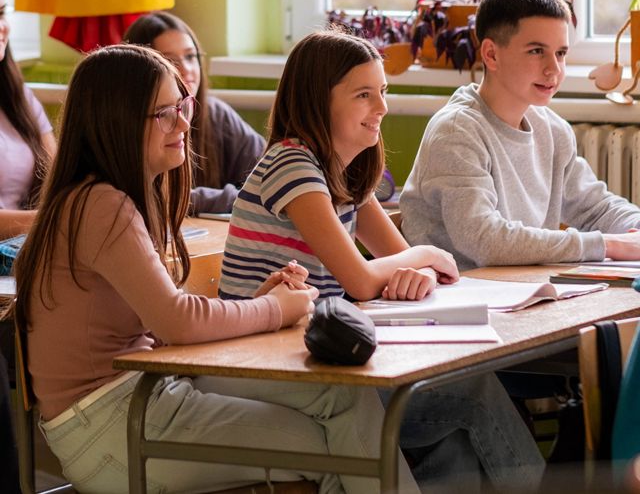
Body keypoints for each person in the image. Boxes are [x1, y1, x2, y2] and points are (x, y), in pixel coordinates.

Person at [12, 44, 414, 494]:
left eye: (182, 106)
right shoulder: (100, 204)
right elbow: (175, 319)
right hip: (109, 426)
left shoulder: (122, 197)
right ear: (116, 120)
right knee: (328, 439)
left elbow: (163, 323)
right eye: (164, 113)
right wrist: (274, 310)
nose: (185, 123)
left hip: (145, 397)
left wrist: (265, 301)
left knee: (344, 401)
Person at [220, 30, 545, 491]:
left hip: (315, 358)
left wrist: (416, 271)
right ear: (319, 101)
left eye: (383, 92)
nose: (382, 108)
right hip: (262, 366)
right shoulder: (292, 166)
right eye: (364, 95)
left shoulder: (345, 173)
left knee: (454, 433)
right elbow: (365, 279)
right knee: (472, 395)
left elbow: (400, 265)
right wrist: (426, 255)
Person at [400, 0, 640, 270]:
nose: (554, 69)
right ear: (491, 54)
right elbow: (484, 240)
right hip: (460, 299)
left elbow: (596, 207)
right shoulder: (456, 132)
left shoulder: (553, 130)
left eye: (561, 53)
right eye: (536, 51)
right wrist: (608, 244)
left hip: (526, 291)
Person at [124, 11, 265, 214]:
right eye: (170, 61)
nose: (187, 69)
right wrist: (234, 200)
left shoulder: (216, 115)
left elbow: (272, 180)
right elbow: (157, 198)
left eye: (190, 56)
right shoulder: (133, 124)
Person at [0, 0, 55, 240]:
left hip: (21, 251)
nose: (2, 27)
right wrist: (57, 219)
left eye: (1, 13)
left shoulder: (17, 94)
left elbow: (59, 176)